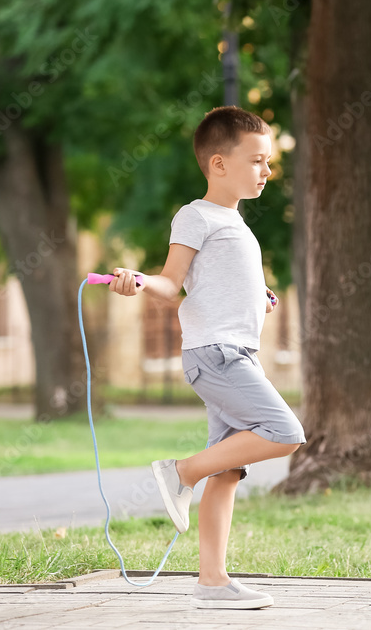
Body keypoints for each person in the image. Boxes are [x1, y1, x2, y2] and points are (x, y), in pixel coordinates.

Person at [108, 106, 305, 610]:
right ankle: (180, 472)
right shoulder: (195, 215)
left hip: (236, 354)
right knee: (285, 432)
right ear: (219, 164)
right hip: (216, 357)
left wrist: (258, 295)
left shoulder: (235, 223)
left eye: (268, 162)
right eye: (258, 161)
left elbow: (219, 282)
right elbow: (172, 282)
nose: (267, 171)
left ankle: (212, 582)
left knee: (229, 472)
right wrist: (138, 281)